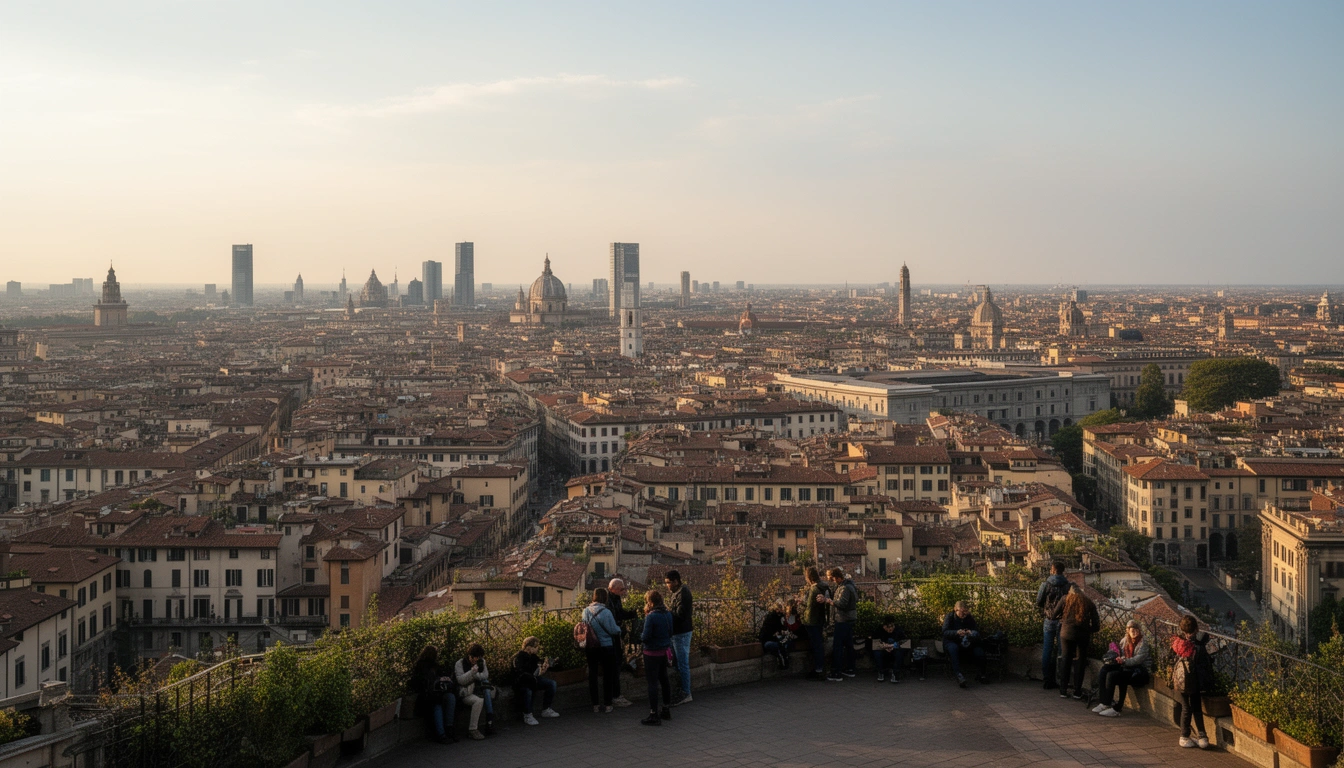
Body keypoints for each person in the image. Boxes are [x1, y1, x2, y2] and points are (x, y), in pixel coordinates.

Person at [1093, 620, 1151, 717]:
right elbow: (1120, 653)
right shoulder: (1125, 640)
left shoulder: (1143, 642)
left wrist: (1124, 661)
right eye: (1132, 631)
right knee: (1104, 670)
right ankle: (1104, 702)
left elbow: (1138, 660)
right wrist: (1117, 657)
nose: (1135, 633)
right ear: (1128, 631)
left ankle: (1116, 707)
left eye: (1137, 630)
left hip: (1139, 672)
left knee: (1114, 675)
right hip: (1127, 667)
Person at [1172, 614, 1214, 749]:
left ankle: (1185, 736)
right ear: (1196, 629)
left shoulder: (1178, 644)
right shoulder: (1198, 647)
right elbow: (1205, 665)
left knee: (1185, 707)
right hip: (1194, 681)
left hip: (1181, 682)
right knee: (1196, 708)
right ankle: (1201, 737)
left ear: (1182, 630)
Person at [1053, 584, 1100, 700]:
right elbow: (1096, 625)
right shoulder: (1088, 602)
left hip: (1066, 633)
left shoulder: (1065, 599)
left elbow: (1054, 614)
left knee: (1066, 659)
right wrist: (1088, 629)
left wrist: (1063, 620)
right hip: (1082, 635)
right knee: (1080, 661)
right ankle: (1077, 691)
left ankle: (1063, 690)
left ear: (1070, 592)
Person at [583, 587, 623, 713]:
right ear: (605, 598)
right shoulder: (607, 612)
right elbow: (613, 630)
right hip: (606, 647)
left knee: (593, 676)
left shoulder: (585, 611)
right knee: (608, 675)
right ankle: (607, 704)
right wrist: (620, 629)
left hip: (591, 647)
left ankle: (595, 704)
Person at [640, 590, 675, 726]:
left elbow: (646, 636)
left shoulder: (651, 616)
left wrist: (640, 637)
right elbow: (671, 632)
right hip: (664, 651)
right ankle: (666, 709)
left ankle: (653, 714)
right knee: (664, 679)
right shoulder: (668, 614)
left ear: (650, 602)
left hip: (651, 653)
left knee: (652, 683)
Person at [410, 645, 457, 744]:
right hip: (427, 696)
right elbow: (422, 682)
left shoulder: (434, 666)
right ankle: (442, 733)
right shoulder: (422, 666)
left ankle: (448, 729)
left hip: (435, 693)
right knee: (438, 704)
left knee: (450, 698)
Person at [817, 567, 858, 681]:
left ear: (837, 577)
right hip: (849, 619)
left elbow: (842, 604)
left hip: (843, 620)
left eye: (832, 579)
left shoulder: (845, 588)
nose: (832, 581)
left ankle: (837, 672)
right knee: (849, 645)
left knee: (838, 646)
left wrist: (828, 600)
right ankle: (850, 669)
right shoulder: (850, 585)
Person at [1035, 561, 1070, 690]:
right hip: (1062, 620)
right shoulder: (1067, 586)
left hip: (1049, 619)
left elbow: (1039, 601)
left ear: (1054, 570)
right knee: (1062, 650)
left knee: (1047, 649)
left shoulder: (1045, 585)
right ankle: (1061, 680)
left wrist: (1047, 608)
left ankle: (1047, 679)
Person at [512, 636, 560, 726]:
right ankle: (527, 714)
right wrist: (534, 676)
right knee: (528, 691)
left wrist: (544, 668)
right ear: (529, 647)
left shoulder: (534, 657)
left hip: (533, 680)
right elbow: (520, 674)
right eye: (536, 646)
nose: (537, 648)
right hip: (522, 683)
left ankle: (546, 709)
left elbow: (537, 671)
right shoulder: (518, 658)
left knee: (552, 684)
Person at [604, 578, 636, 707]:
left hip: (615, 637)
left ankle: (615, 695)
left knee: (616, 665)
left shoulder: (615, 598)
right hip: (611, 638)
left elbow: (620, 614)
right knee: (614, 666)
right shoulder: (608, 601)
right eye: (621, 589)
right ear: (612, 589)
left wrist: (630, 614)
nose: (623, 592)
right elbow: (614, 617)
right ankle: (615, 696)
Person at [942, 600, 987, 687]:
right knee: (953, 648)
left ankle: (981, 674)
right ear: (956, 610)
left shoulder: (969, 618)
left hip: (967, 641)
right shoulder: (950, 617)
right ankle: (959, 675)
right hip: (952, 641)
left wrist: (971, 632)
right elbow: (945, 632)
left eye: (966, 611)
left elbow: (977, 631)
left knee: (979, 651)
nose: (964, 614)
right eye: (962, 612)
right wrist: (956, 632)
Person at [454, 643, 494, 740]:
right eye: (473, 658)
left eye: (477, 658)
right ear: (469, 655)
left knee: (484, 694)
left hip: (478, 690)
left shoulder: (481, 661)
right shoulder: (460, 663)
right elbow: (461, 680)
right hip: (465, 693)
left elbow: (485, 675)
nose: (474, 661)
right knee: (478, 700)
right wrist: (472, 672)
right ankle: (474, 730)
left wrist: (476, 675)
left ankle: (483, 724)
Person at [665, 570, 694, 705]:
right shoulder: (678, 592)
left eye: (668, 582)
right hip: (678, 633)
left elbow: (680, 615)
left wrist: (667, 613)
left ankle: (686, 692)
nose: (667, 585)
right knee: (677, 663)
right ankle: (682, 689)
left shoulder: (683, 593)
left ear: (676, 581)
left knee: (682, 664)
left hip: (681, 633)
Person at [800, 567, 830, 680]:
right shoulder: (825, 586)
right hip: (820, 620)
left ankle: (818, 670)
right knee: (818, 645)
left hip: (811, 620)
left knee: (816, 646)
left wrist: (801, 606)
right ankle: (819, 669)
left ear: (809, 577)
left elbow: (809, 606)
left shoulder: (814, 589)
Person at [759, 600, 800, 668]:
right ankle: (783, 657)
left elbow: (784, 629)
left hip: (778, 640)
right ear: (777, 609)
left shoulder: (781, 617)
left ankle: (782, 657)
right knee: (779, 645)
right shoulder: (772, 618)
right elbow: (768, 634)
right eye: (781, 609)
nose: (782, 611)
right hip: (770, 640)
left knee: (784, 644)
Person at [871, 615, 908, 683]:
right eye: (888, 627)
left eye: (892, 626)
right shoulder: (879, 630)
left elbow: (906, 642)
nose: (891, 629)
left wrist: (893, 646)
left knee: (900, 652)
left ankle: (895, 673)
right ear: (884, 626)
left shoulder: (898, 630)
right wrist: (883, 646)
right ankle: (881, 672)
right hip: (883, 649)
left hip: (895, 649)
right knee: (877, 652)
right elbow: (873, 641)